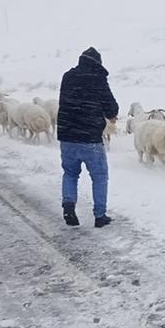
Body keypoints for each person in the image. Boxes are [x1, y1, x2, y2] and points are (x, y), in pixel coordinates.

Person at [57, 47, 119, 228]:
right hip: (89, 137)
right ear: (98, 63)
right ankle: (100, 216)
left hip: (67, 136)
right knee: (99, 176)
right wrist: (110, 114)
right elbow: (112, 108)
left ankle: (69, 206)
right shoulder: (98, 79)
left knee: (70, 173)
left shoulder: (67, 77)